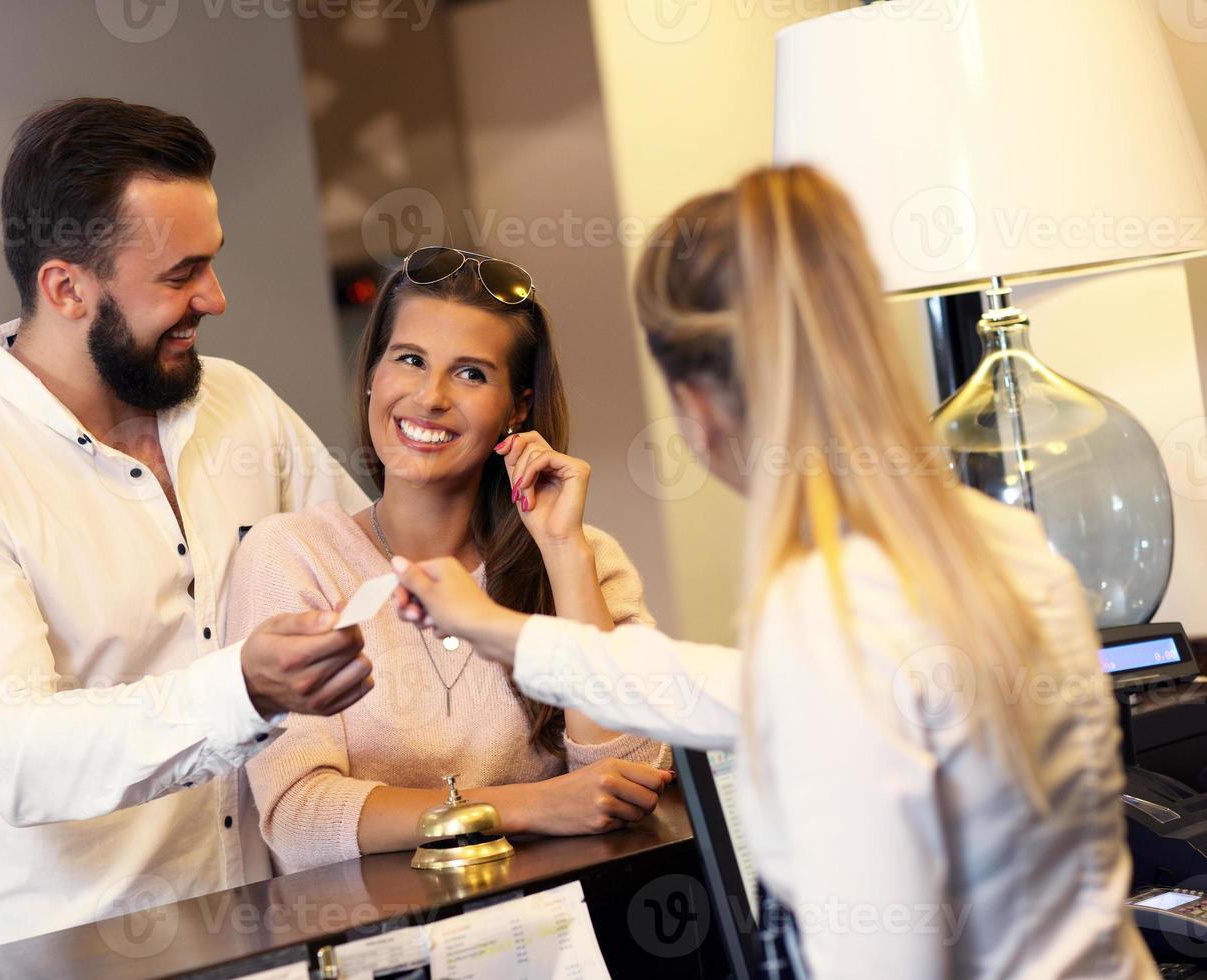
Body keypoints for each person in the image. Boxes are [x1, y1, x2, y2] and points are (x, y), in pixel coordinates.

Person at [387, 168, 1156, 977]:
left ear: (697, 407)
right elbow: (732, 686)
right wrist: (493, 626)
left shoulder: (826, 612)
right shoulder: (1002, 544)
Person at [0, 98, 374, 958]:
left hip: (269, 927)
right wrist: (242, 691)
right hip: (64, 949)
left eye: (211, 265)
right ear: (66, 287)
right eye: (181, 275)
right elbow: (15, 756)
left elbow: (365, 566)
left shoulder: (241, 405)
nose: (215, 299)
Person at [227, 246, 671, 874]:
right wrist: (528, 806)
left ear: (517, 408)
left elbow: (628, 776)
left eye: (471, 374)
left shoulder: (584, 555)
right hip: (386, 953)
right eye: (409, 360)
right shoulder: (293, 556)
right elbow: (298, 816)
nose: (430, 396)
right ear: (374, 375)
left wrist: (564, 551)